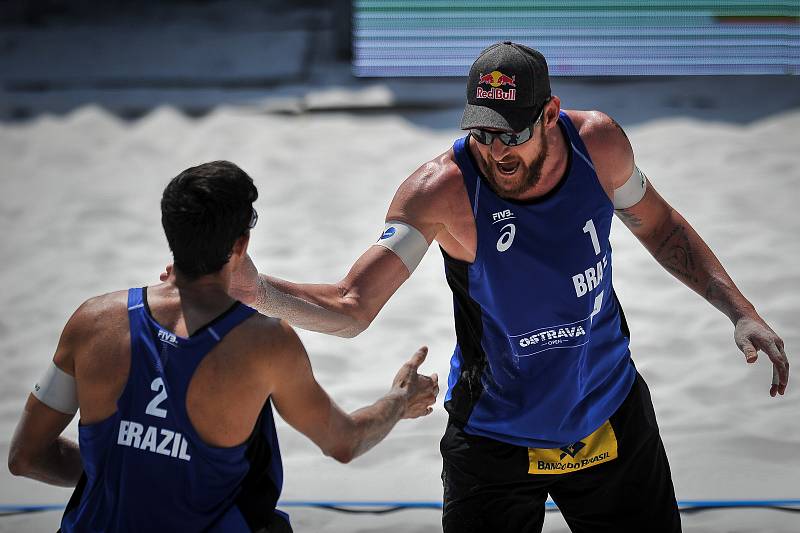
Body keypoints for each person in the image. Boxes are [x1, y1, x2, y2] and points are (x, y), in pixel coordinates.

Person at [205, 42, 791, 532]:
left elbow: (660, 228)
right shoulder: (441, 192)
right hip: (495, 437)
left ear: (551, 113)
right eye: (483, 134)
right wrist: (257, 290)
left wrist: (738, 309)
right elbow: (353, 306)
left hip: (609, 415)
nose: (496, 151)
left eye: (511, 134)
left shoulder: (600, 146)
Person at [7, 161, 439, 533]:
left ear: (170, 231)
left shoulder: (92, 320)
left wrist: (130, 466)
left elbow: (25, 457)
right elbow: (343, 443)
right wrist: (399, 401)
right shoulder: (265, 342)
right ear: (240, 245)